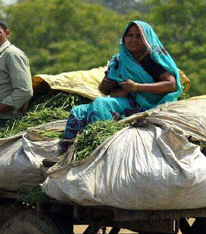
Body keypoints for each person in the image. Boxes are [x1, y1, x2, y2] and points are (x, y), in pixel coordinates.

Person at [59, 20, 182, 151]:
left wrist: (135, 87)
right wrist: (106, 85)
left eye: (138, 36)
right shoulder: (119, 60)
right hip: (122, 102)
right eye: (130, 35)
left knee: (100, 104)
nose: (133, 39)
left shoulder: (152, 60)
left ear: (147, 39)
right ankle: (66, 152)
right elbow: (104, 90)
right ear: (124, 38)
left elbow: (171, 85)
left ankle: (98, 145)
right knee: (78, 111)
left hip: (146, 106)